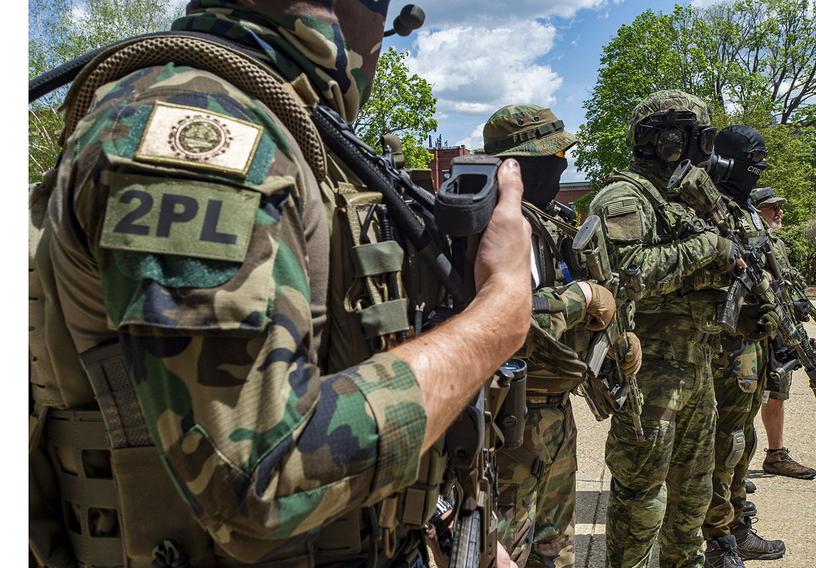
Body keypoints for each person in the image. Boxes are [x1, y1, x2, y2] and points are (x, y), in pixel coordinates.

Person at [28, 2, 531, 567]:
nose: (382, 36)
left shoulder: (293, 130)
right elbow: (261, 480)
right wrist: (498, 316)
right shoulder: (198, 128)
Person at [482, 104, 642, 567]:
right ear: (520, 165)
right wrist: (585, 297)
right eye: (554, 156)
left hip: (553, 410)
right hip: (509, 421)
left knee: (554, 551)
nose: (564, 164)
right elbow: (513, 320)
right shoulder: (498, 228)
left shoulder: (550, 221)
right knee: (504, 552)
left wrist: (617, 337)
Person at [588, 90, 742, 568]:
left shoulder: (688, 197)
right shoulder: (624, 197)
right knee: (641, 496)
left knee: (695, 492)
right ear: (669, 138)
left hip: (696, 363)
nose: (703, 149)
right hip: (651, 371)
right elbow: (626, 274)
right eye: (698, 136)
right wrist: (709, 250)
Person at [699, 126, 786, 568]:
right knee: (722, 444)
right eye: (753, 163)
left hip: (750, 348)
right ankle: (718, 541)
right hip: (720, 349)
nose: (758, 172)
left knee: (742, 441)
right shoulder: (706, 209)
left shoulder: (746, 210)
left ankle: (736, 527)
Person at [753, 187, 816, 480]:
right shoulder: (749, 242)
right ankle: (730, 470)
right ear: (755, 211)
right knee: (745, 397)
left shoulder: (776, 243)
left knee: (777, 392)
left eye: (779, 206)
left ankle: (776, 455)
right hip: (756, 330)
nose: (779, 212)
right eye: (772, 207)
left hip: (783, 327)